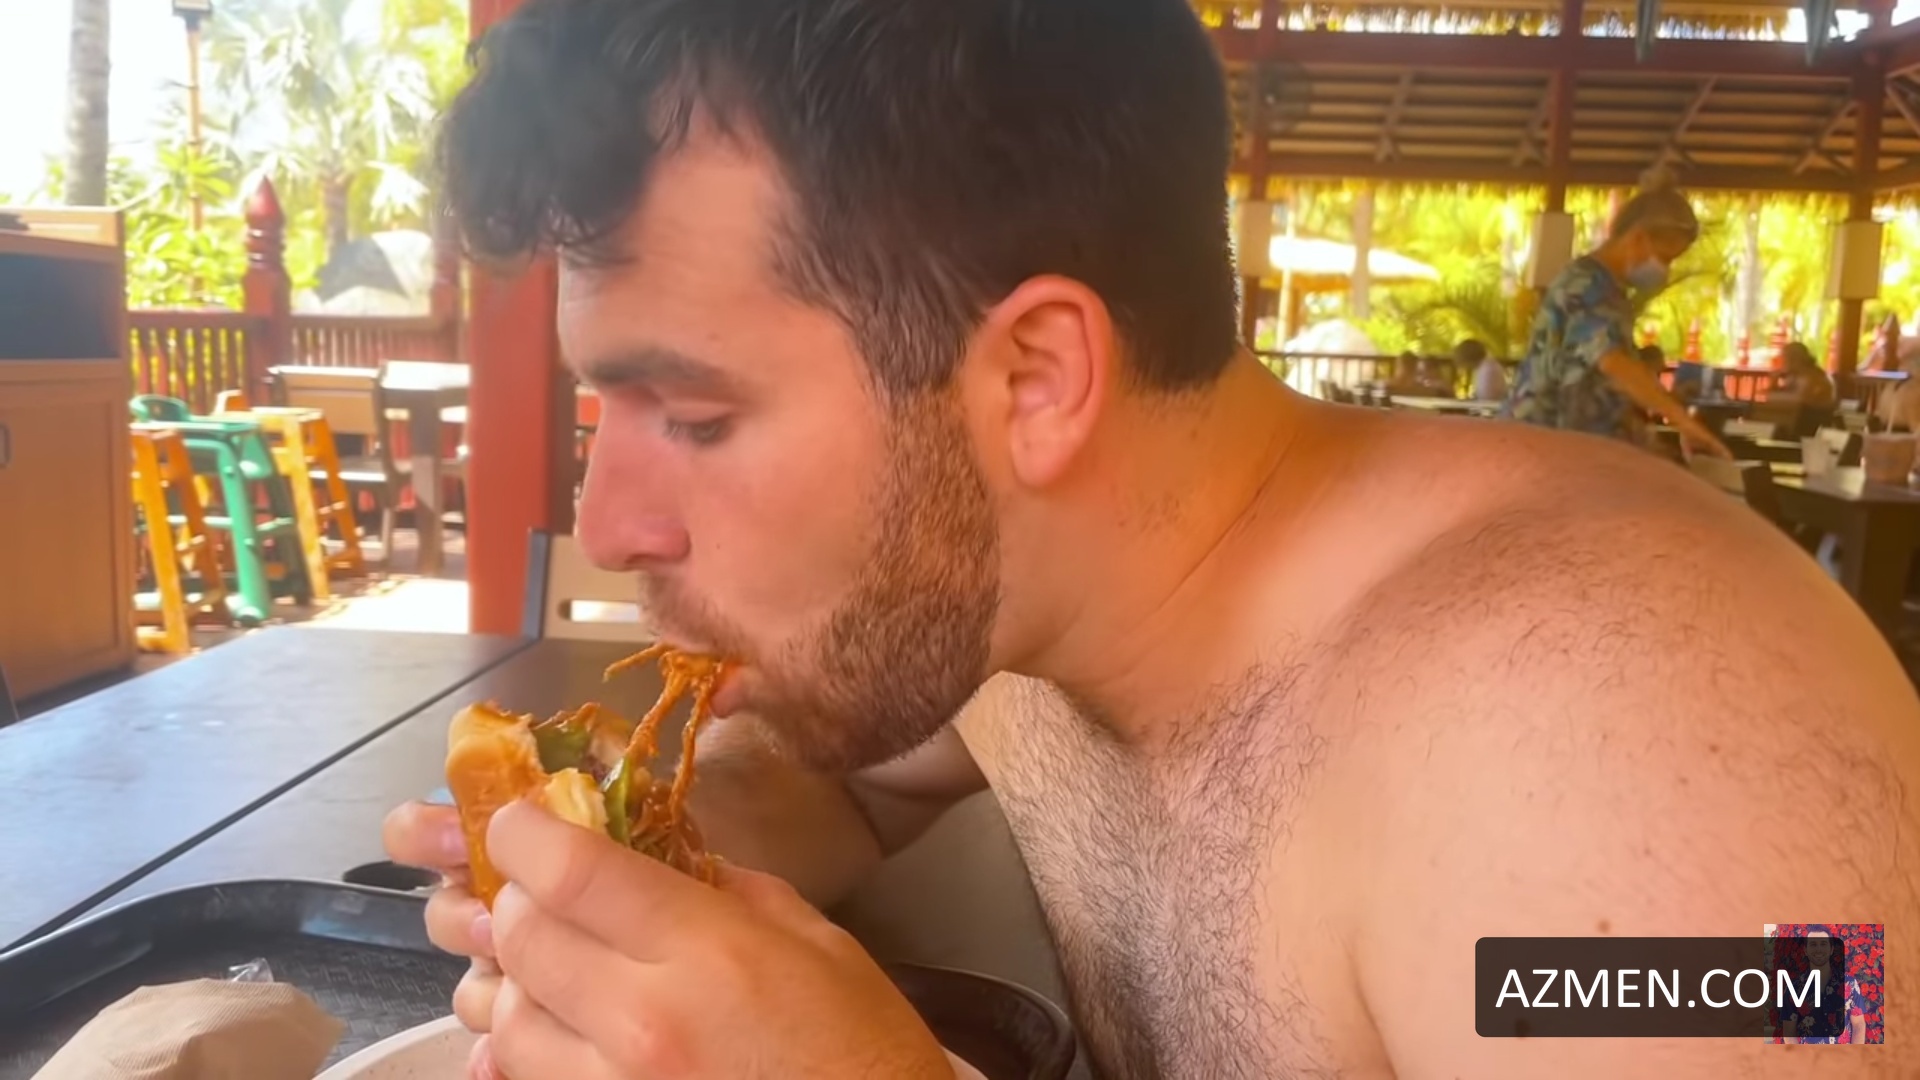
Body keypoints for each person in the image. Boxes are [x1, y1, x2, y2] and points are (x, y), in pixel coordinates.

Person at [384, 0, 1920, 1076]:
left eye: (694, 416)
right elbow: (833, 778)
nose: (608, 524)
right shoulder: (1022, 617)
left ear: (1037, 379)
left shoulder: (1631, 752)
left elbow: (1803, 996)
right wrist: (634, 867)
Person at [1502, 173, 1730, 459]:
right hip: (1540, 448)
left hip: (1571, 450)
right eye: (1665, 257)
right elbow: (1613, 363)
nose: (1665, 269)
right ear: (1638, 238)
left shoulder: (1611, 293)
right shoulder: (1585, 285)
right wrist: (1683, 421)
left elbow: (1604, 384)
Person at [1772, 342, 1837, 411]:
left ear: (1795, 360)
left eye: (1784, 358)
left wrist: (1772, 396)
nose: (1782, 362)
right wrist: (1774, 380)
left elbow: (1799, 401)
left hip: (1814, 415)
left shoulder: (1812, 376)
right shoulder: (1796, 374)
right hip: (1799, 412)